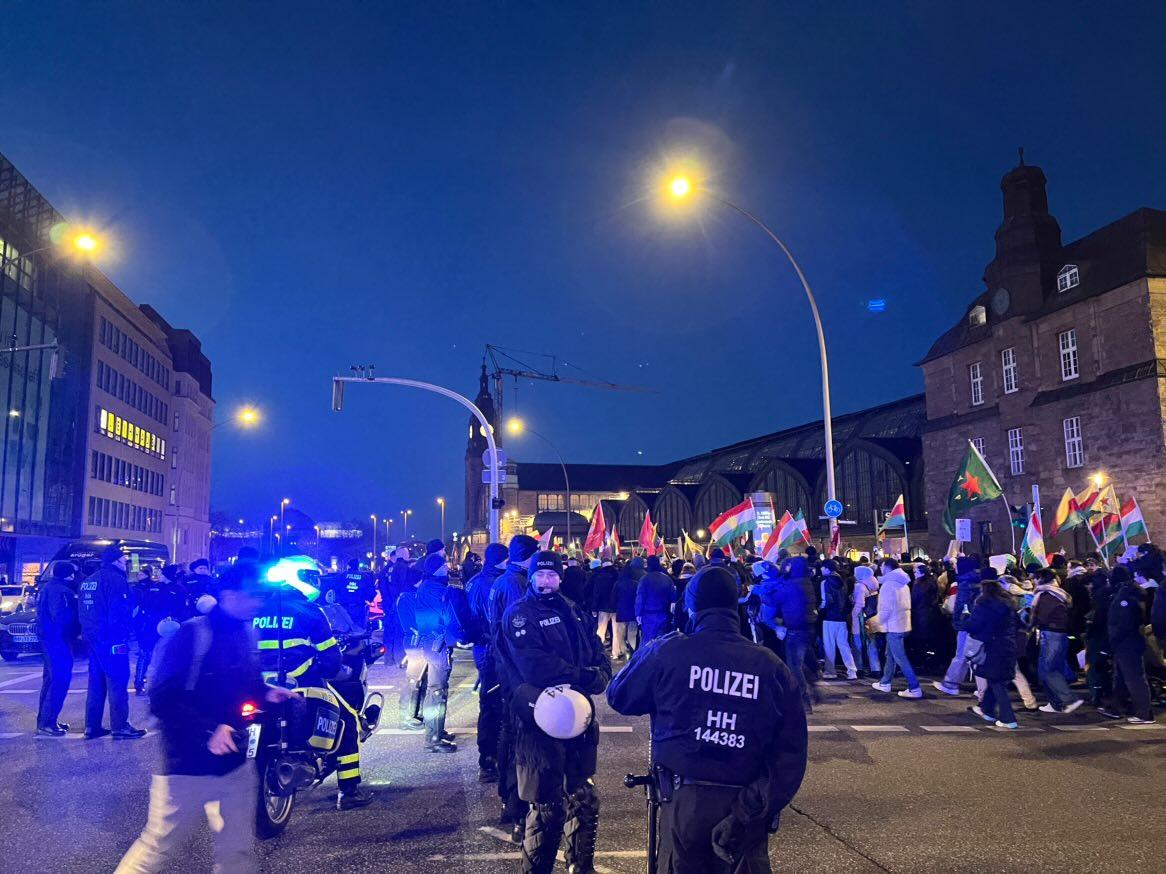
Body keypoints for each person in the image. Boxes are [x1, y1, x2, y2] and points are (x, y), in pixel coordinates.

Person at [607, 565, 809, 873]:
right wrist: (747, 812)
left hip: (684, 807)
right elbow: (790, 756)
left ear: (692, 607)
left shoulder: (670, 652)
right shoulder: (770, 667)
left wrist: (655, 647)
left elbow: (619, 694)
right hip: (745, 806)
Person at [115, 564, 295, 874]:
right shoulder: (192, 635)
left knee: (237, 852)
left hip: (235, 764)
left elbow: (248, 685)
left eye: (261, 596)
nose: (258, 602)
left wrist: (268, 693)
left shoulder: (246, 632)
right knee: (157, 849)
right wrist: (210, 731)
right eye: (252, 595)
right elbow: (161, 700)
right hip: (186, 767)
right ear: (228, 594)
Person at [497, 551, 611, 873]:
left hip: (578, 715)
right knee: (547, 806)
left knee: (583, 797)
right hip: (540, 719)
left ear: (560, 578)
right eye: (540, 575)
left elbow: (595, 647)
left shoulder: (572, 609)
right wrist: (583, 675)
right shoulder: (520, 615)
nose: (546, 581)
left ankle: (581, 866)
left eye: (551, 575)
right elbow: (534, 665)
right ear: (531, 577)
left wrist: (601, 672)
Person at [254, 561, 374, 809]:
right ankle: (349, 791)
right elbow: (331, 658)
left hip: (256, 685)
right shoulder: (309, 611)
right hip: (299, 680)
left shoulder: (255, 609)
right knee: (348, 720)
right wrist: (326, 670)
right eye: (311, 576)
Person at [489, 534, 541, 836]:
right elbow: (518, 632)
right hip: (515, 671)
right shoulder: (515, 585)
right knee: (517, 736)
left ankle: (510, 798)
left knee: (509, 732)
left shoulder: (501, 581)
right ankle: (515, 802)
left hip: (503, 665)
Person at [396, 553, 467, 753]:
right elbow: (449, 617)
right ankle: (433, 738)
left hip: (431, 642)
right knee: (437, 692)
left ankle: (436, 731)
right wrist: (460, 635)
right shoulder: (436, 590)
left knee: (435, 690)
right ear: (436, 569)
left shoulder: (427, 587)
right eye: (443, 566)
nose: (447, 568)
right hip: (438, 644)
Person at [77, 545, 147, 740]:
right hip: (112, 639)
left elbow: (83, 611)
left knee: (96, 683)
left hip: (92, 639)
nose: (126, 563)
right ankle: (120, 726)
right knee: (117, 681)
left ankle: (92, 726)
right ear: (116, 561)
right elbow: (119, 612)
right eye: (124, 560)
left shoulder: (88, 581)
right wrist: (122, 635)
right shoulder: (116, 580)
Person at [466, 542, 508, 782]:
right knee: (495, 704)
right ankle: (491, 759)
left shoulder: (473, 582)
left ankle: (489, 758)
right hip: (493, 648)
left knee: (489, 703)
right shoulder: (496, 583)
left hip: (481, 648)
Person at [1099, 565, 1155, 723]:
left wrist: (1111, 643)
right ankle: (1115, 707)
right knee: (1122, 677)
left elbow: (1121, 622)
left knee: (1134, 678)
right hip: (1128, 641)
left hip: (1126, 642)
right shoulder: (1131, 592)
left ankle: (1144, 713)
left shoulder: (1124, 596)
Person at [963, 578, 1021, 729]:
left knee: (997, 682)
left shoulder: (984, 605)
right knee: (994, 679)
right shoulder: (1009, 604)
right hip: (1008, 645)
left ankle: (1008, 719)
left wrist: (965, 617)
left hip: (992, 646)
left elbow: (973, 626)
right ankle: (987, 710)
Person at [1030, 568, 1084, 714]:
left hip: (1051, 634)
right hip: (1059, 634)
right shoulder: (1058, 593)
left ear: (1040, 578)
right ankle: (1056, 704)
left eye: (1035, 578)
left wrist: (1030, 620)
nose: (1033, 581)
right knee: (1053, 669)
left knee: (1047, 670)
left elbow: (1042, 617)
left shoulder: (1046, 595)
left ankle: (1068, 700)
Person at [769, 556, 818, 713]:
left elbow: (773, 599)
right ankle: (813, 684)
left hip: (795, 630)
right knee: (800, 662)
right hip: (807, 627)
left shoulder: (791, 585)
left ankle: (803, 700)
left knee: (794, 665)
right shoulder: (806, 582)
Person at [36, 561, 80, 736]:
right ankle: (48, 722)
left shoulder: (49, 587)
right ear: (68, 574)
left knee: (50, 680)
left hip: (50, 637)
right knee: (59, 680)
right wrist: (75, 611)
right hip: (57, 639)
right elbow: (61, 616)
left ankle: (46, 720)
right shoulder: (61, 590)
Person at [932, 556, 983, 696]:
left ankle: (951, 684)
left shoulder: (964, 583)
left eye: (956, 565)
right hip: (975, 623)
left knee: (962, 655)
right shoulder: (976, 581)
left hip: (966, 624)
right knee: (973, 655)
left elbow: (962, 606)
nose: (954, 568)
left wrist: (960, 622)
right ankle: (983, 689)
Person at [871, 559, 922, 698]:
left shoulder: (888, 585)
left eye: (881, 566)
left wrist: (872, 623)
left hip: (893, 626)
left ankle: (914, 687)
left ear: (886, 567)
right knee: (891, 655)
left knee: (900, 657)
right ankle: (885, 682)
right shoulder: (903, 583)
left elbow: (885, 610)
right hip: (903, 624)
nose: (880, 569)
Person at [134, 565, 187, 695]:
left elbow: (145, 605)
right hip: (161, 625)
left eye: (162, 573)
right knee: (151, 654)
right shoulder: (169, 588)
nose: (159, 575)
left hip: (161, 625)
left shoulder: (172, 589)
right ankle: (142, 683)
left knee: (150, 653)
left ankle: (144, 683)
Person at [818, 560, 857, 680]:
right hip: (842, 618)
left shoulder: (825, 582)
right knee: (844, 645)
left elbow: (826, 601)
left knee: (829, 645)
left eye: (822, 567)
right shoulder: (843, 581)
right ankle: (852, 671)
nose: (821, 570)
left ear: (826, 568)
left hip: (829, 617)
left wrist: (819, 610)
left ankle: (830, 671)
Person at [636, 555, 677, 644]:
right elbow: (673, 598)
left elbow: (640, 598)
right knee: (662, 642)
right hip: (664, 614)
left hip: (648, 615)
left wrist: (638, 613)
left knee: (648, 642)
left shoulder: (644, 579)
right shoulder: (667, 578)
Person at [850, 565, 881, 676]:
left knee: (857, 641)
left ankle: (859, 667)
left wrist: (853, 615)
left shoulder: (860, 586)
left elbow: (860, 604)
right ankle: (875, 668)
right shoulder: (874, 584)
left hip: (861, 618)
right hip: (872, 616)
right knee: (871, 642)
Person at [612, 557, 644, 659]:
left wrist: (614, 607)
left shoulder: (618, 583)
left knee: (620, 633)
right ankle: (632, 651)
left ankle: (624, 650)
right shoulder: (636, 584)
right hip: (632, 612)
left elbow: (613, 598)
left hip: (621, 612)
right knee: (632, 633)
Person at [589, 558, 618, 649]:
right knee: (616, 631)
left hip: (603, 606)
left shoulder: (600, 575)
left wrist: (594, 608)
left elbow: (596, 593)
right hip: (616, 607)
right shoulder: (617, 574)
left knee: (601, 630)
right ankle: (616, 651)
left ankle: (599, 649)